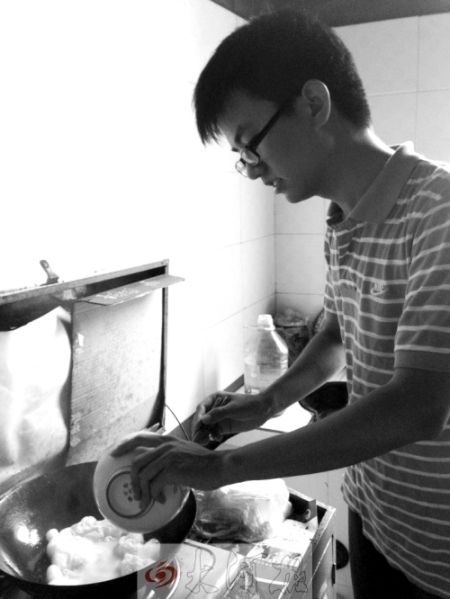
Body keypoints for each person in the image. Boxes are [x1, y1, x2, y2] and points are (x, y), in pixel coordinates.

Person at [112, 10, 450, 599]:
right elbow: (337, 334)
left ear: (313, 104)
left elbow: (420, 406)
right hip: (374, 516)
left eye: (250, 145)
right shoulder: (341, 220)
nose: (251, 171)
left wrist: (221, 467)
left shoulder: (439, 210)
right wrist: (265, 402)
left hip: (438, 549)